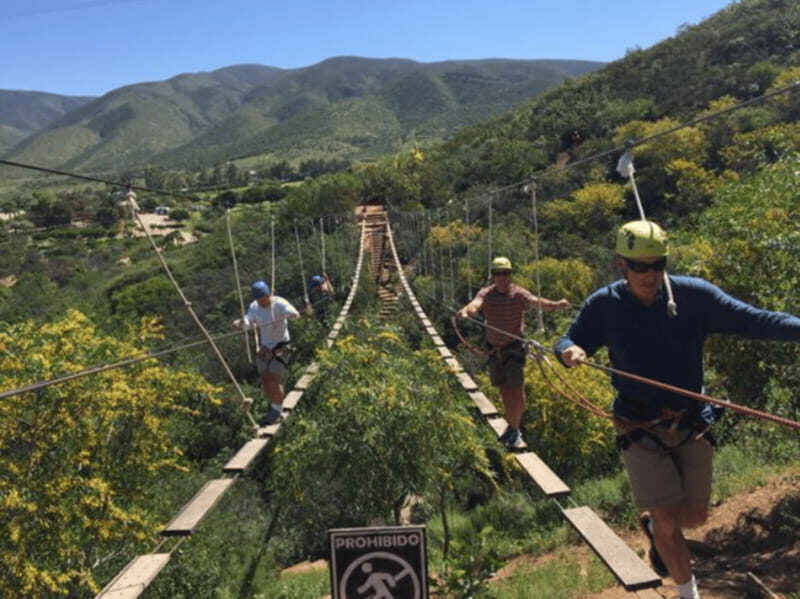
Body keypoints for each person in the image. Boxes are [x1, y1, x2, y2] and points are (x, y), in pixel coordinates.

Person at [555, 220, 800, 599]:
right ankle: (688, 592)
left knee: (694, 519)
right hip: (638, 425)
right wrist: (569, 351)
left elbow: (755, 320)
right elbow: (570, 337)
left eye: (658, 264)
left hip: (691, 421)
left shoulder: (694, 297)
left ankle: (653, 530)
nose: (650, 274)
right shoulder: (605, 305)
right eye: (640, 267)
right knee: (670, 521)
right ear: (621, 264)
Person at [456, 256, 571, 449]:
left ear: (510, 275)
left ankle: (515, 430)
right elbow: (475, 304)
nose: (501, 277)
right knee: (504, 390)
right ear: (492, 276)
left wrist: (556, 305)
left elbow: (536, 302)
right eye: (498, 273)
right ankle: (511, 427)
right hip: (494, 351)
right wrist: (466, 312)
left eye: (505, 273)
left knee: (516, 391)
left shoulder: (519, 294)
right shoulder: (486, 293)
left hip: (513, 350)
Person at [234, 280, 300, 426]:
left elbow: (290, 311)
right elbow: (249, 320)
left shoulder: (279, 303)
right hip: (265, 347)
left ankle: (276, 411)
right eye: (258, 299)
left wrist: (292, 314)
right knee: (265, 380)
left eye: (263, 298)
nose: (261, 302)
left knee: (273, 378)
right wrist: (241, 323)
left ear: (268, 294)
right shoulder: (255, 306)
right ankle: (275, 405)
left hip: (281, 347)